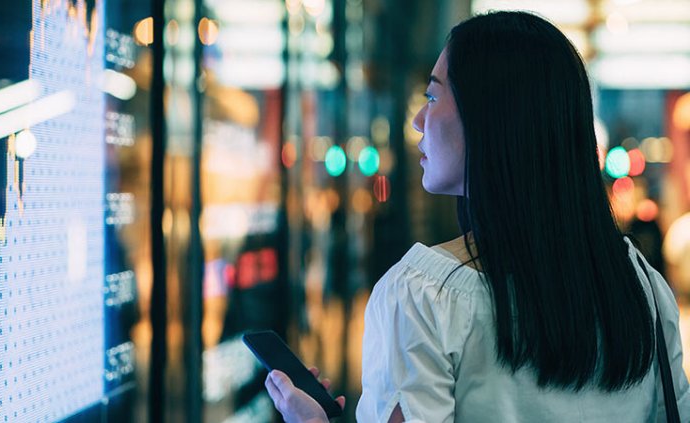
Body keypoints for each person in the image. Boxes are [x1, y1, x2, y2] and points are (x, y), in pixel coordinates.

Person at [264, 10, 690, 422]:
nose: (417, 120)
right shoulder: (641, 285)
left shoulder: (423, 297)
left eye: (432, 95)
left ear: (490, 117)